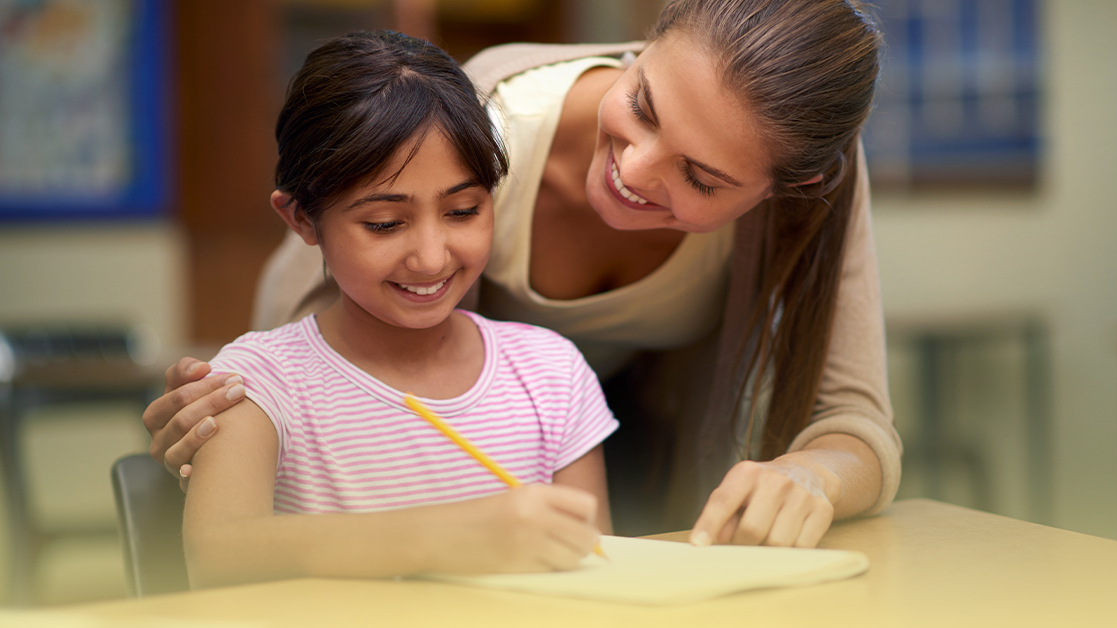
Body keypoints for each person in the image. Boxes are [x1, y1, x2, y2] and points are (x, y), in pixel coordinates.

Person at [148, 0, 902, 549]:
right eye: (641, 104)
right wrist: (239, 423)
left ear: (788, 189)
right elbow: (319, 377)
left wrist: (817, 475)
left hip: (602, 468)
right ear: (643, 41)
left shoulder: (556, 374)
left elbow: (856, 422)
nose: (632, 172)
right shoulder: (459, 128)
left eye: (701, 179)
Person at [182, 31, 617, 588]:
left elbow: (598, 574)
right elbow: (218, 556)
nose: (432, 257)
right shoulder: (259, 383)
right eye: (385, 224)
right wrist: (445, 535)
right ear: (302, 220)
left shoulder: (551, 374)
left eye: (463, 211)